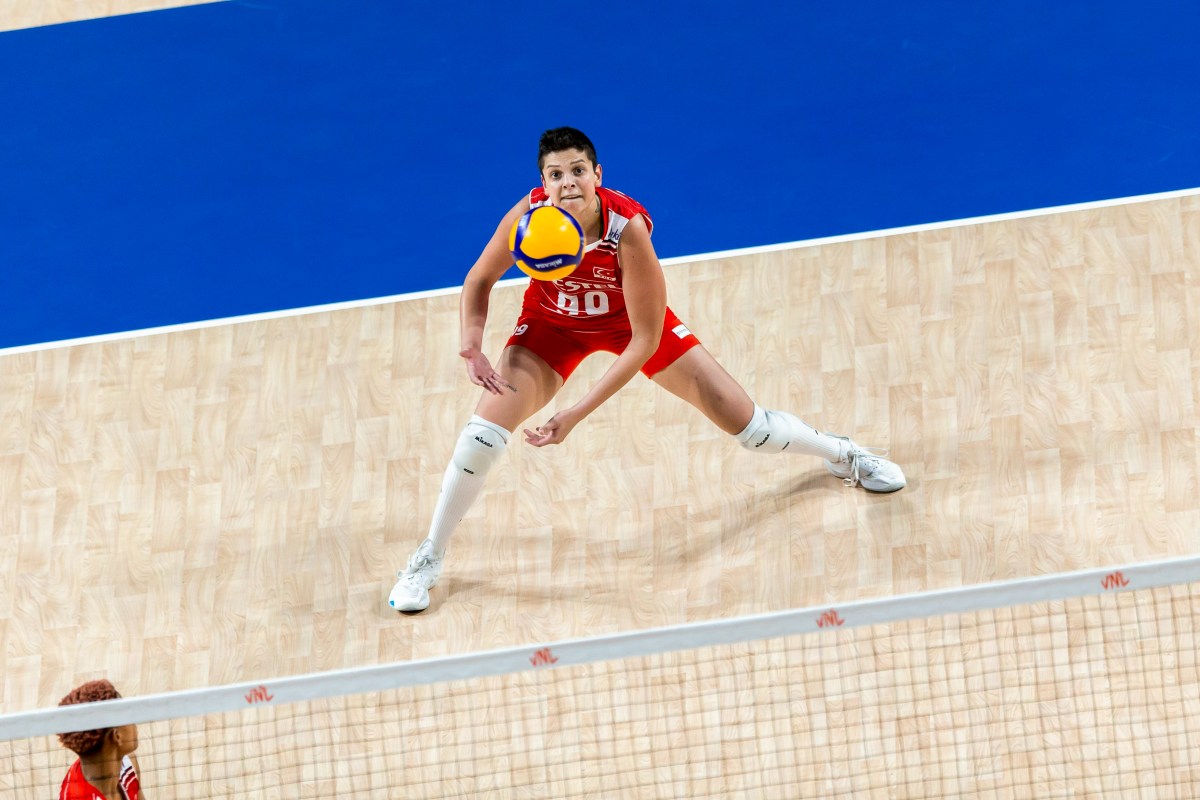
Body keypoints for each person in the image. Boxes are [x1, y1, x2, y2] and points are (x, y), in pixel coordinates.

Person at [388, 127, 905, 612]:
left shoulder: (626, 231)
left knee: (753, 429)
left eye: (577, 171)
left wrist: (576, 413)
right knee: (481, 436)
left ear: (597, 174)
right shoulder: (530, 216)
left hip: (629, 325)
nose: (567, 183)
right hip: (552, 329)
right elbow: (478, 279)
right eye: (555, 174)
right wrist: (472, 346)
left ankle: (844, 454)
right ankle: (428, 557)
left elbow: (644, 341)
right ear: (542, 182)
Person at [57, 679, 144, 800]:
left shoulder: (128, 762)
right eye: (126, 715)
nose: (133, 719)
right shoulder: (79, 796)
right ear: (117, 736)